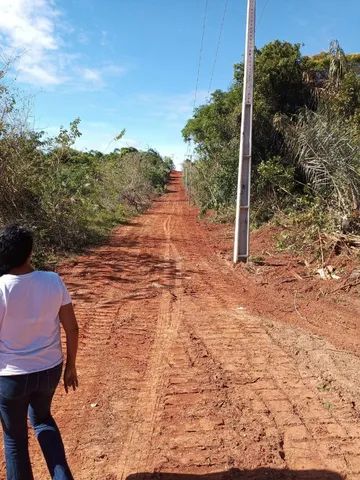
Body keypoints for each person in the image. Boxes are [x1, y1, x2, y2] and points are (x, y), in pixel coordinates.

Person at [0, 224, 79, 480]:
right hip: (49, 370)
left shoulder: (2, 288)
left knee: (14, 440)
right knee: (43, 420)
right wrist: (70, 366)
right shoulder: (52, 280)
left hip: (10, 377)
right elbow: (72, 328)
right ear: (30, 252)